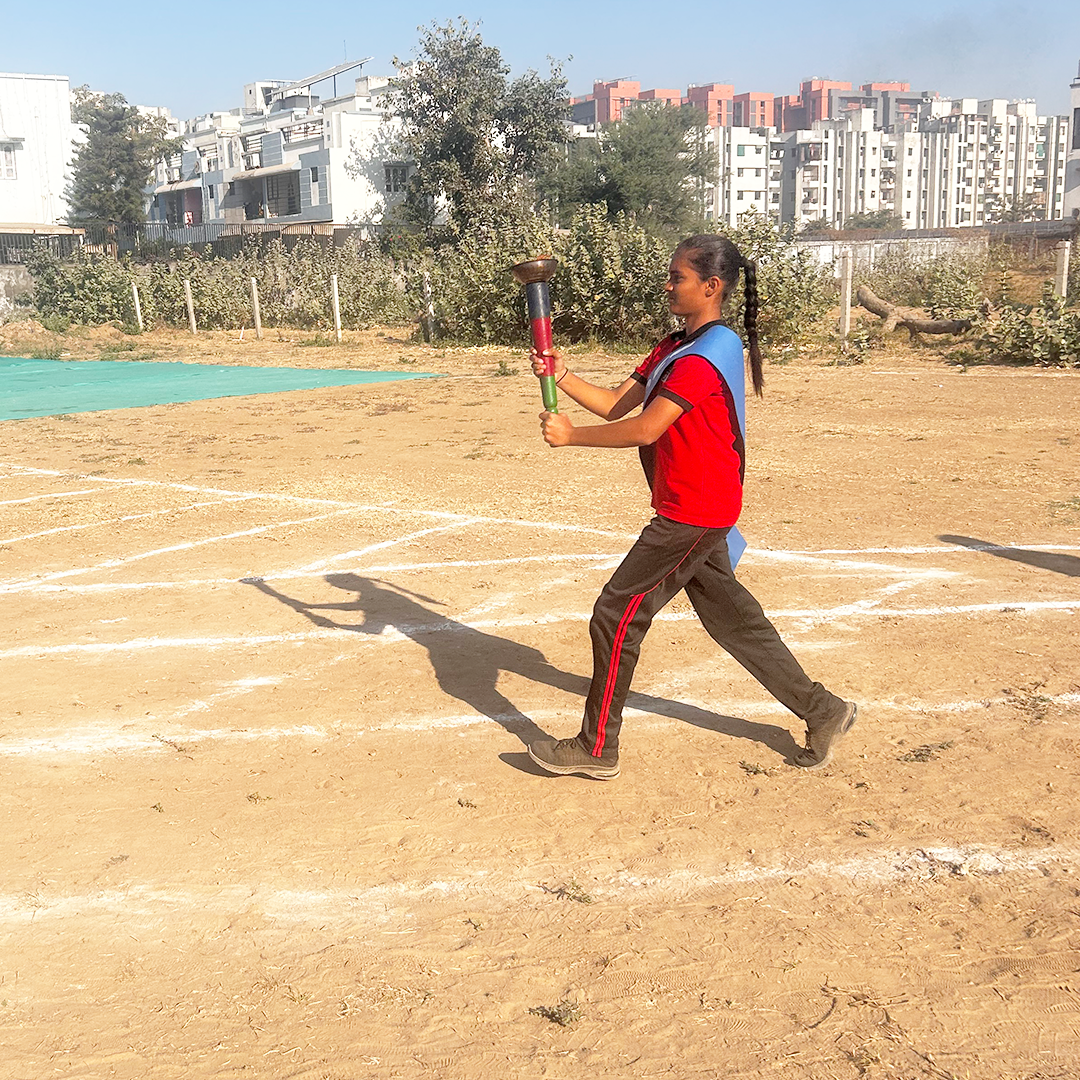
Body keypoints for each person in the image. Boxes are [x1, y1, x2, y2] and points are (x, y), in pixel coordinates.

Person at [526, 233, 857, 780]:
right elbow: (615, 405)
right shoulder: (673, 346)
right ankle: (824, 711)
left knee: (615, 612)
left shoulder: (708, 354)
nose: (668, 285)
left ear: (711, 286)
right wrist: (561, 375)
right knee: (735, 621)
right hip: (697, 507)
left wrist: (570, 436)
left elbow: (647, 427)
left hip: (694, 513)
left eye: (677, 277)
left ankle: (596, 746)